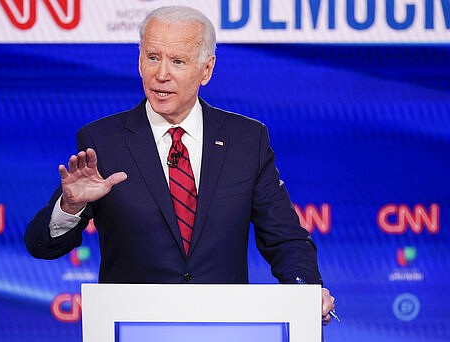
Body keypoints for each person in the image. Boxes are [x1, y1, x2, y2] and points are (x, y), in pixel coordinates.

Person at [24, 5, 336, 324]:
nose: (161, 74)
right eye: (153, 57)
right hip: (134, 327)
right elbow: (42, 246)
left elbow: (283, 236)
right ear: (139, 62)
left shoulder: (246, 140)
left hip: (223, 327)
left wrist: (306, 293)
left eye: (177, 61)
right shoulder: (104, 141)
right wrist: (71, 205)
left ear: (206, 69)